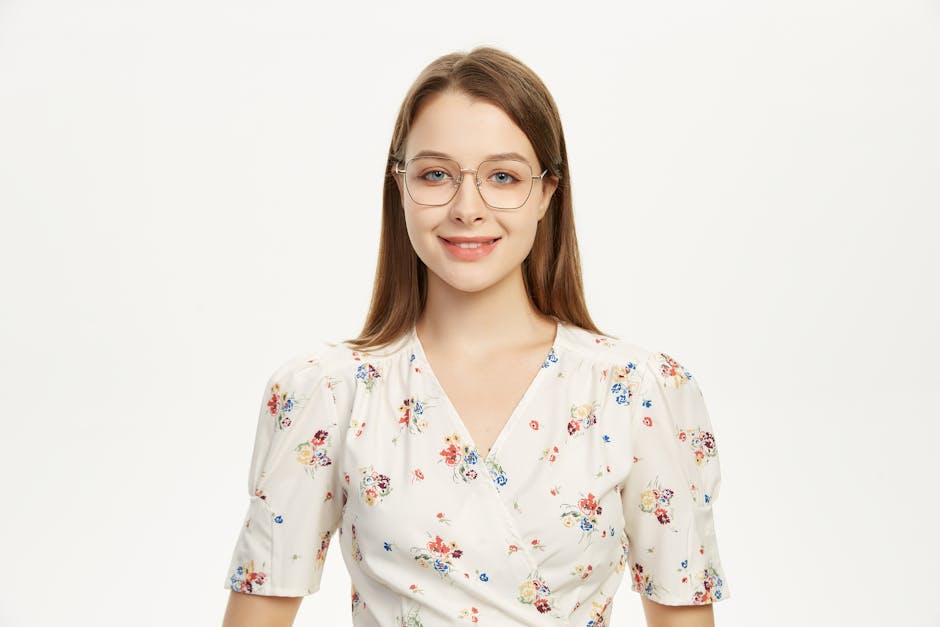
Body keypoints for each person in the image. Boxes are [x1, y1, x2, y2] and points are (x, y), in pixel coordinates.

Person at [221, 46, 730, 627]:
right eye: (436, 174)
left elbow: (683, 613)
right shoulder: (326, 392)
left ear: (547, 192)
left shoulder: (641, 390)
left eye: (503, 177)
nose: (468, 208)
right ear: (399, 186)